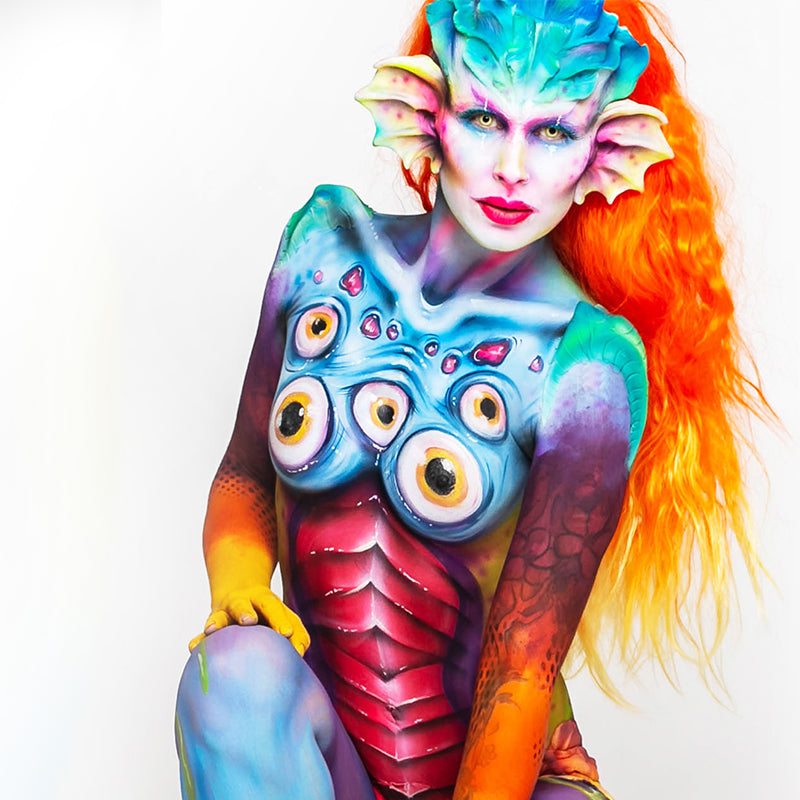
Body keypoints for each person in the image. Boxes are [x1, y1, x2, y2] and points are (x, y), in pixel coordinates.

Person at [175, 1, 765, 798]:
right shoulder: (321, 247)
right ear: (427, 108)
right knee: (231, 677)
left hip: (508, 780)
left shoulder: (586, 364)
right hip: (328, 758)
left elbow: (523, 665)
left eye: (552, 131)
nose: (512, 168)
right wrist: (239, 587)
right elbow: (244, 478)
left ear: (607, 149)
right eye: (487, 118)